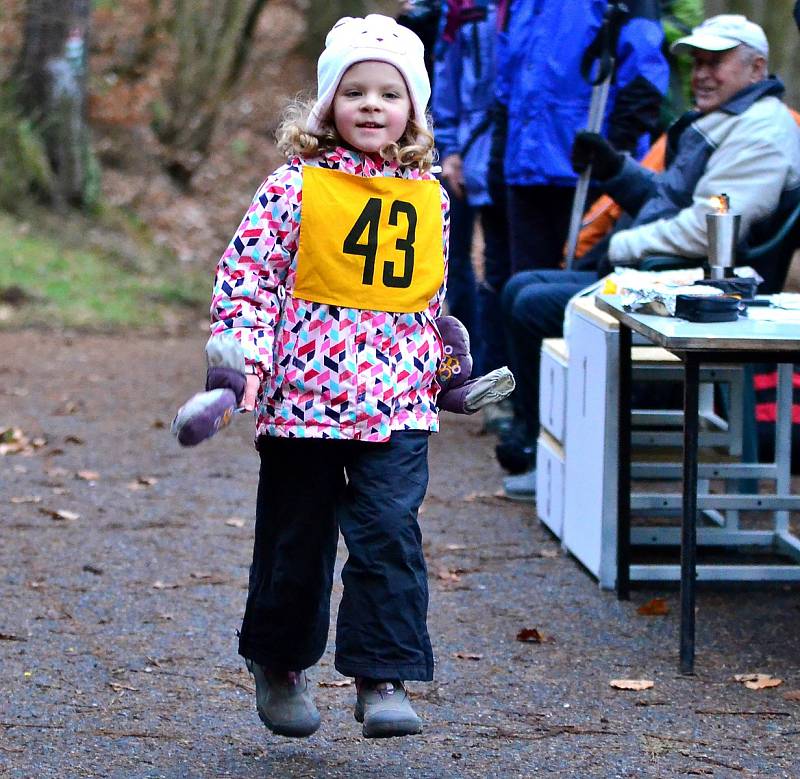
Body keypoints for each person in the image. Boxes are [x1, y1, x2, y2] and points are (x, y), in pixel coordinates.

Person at [208, 14, 448, 739]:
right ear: (326, 106)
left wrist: (447, 361)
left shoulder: (429, 196)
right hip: (303, 400)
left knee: (388, 533)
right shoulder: (294, 188)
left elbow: (427, 298)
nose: (373, 105)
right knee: (296, 539)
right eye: (355, 91)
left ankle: (383, 673)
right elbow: (245, 277)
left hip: (398, 403)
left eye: (389, 93)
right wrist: (241, 357)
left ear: (413, 110)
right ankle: (279, 662)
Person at [498, 14, 800, 500]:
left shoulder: (761, 132)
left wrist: (618, 248)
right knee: (522, 287)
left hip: (698, 291)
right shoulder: (728, 120)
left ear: (757, 67)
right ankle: (537, 438)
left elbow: (707, 229)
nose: (700, 74)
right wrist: (616, 170)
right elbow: (671, 196)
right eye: (697, 63)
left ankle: (558, 454)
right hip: (667, 275)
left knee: (532, 305)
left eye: (715, 63)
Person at [495, 0, 669, 274]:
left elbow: (645, 74)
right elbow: (506, 82)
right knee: (525, 287)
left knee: (582, 287)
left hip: (589, 170)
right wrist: (499, 155)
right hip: (525, 167)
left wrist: (614, 155)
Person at [432, 0, 504, 377]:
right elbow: (448, 77)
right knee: (453, 259)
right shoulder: (461, 9)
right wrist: (451, 148)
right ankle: (460, 362)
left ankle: (493, 368)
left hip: (512, 153)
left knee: (498, 266)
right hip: (465, 148)